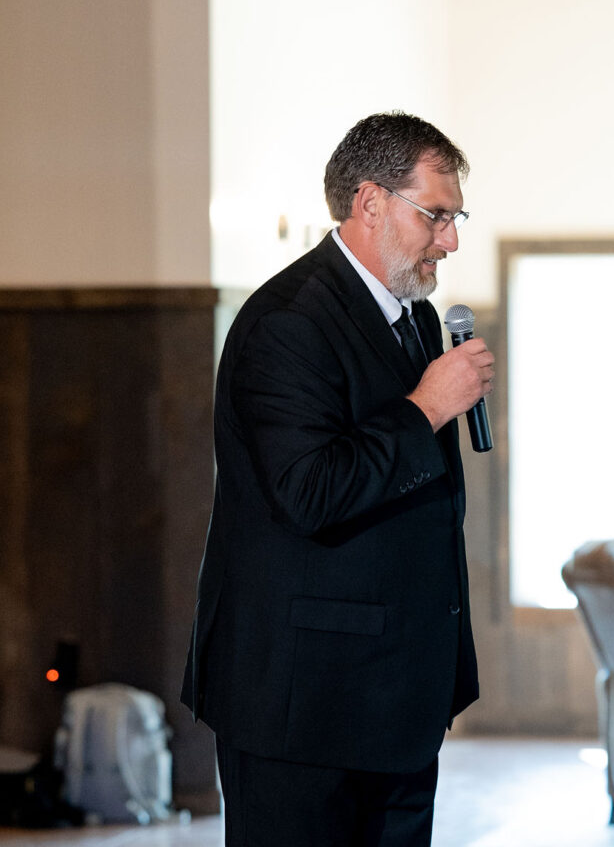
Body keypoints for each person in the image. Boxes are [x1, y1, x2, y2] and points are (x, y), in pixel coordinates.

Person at [181, 111, 495, 847]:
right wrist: (425, 409)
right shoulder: (287, 323)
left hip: (397, 699)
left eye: (456, 218)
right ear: (369, 203)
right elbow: (310, 492)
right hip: (305, 704)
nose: (450, 240)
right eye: (437, 216)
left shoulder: (416, 320)